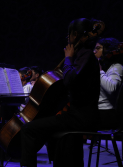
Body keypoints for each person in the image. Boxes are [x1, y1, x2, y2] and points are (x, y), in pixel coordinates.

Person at [20, 18, 103, 167]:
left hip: (81, 117)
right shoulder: (84, 55)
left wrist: (68, 59)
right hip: (78, 115)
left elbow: (69, 80)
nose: (68, 39)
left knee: (28, 130)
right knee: (47, 128)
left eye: (69, 35)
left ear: (75, 34)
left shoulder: (85, 55)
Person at [93, 37, 123, 129]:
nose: (94, 51)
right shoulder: (103, 67)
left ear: (107, 50)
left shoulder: (116, 67)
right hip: (97, 111)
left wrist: (100, 71)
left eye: (98, 48)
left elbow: (111, 88)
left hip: (105, 114)